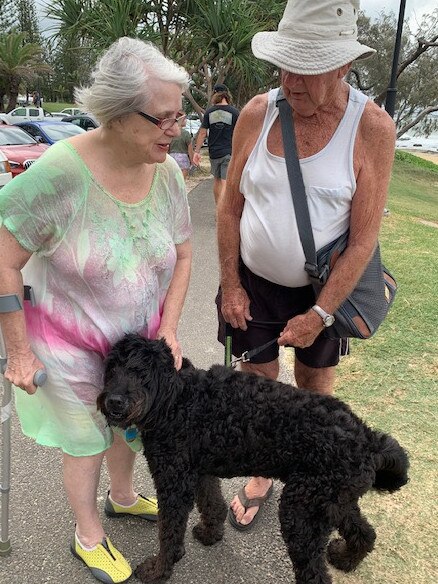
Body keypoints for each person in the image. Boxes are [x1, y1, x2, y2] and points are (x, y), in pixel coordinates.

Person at [0, 37, 192, 583]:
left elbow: (183, 252)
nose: (175, 129)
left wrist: (171, 328)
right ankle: (88, 535)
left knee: (130, 426)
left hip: (137, 342)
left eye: (180, 113)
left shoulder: (168, 172)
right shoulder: (59, 176)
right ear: (116, 112)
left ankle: (124, 496)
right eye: (162, 118)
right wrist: (17, 353)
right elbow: (2, 260)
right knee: (87, 439)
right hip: (68, 344)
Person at [216, 0, 396, 531]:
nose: (290, 82)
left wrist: (320, 313)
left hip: (324, 286)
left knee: (314, 381)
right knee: (257, 379)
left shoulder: (373, 129)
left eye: (306, 69)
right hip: (252, 282)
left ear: (342, 66)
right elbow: (229, 205)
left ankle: (313, 471)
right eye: (284, 66)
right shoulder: (257, 112)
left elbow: (363, 241)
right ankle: (263, 471)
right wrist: (230, 283)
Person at [193, 84, 239, 204]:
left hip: (214, 152)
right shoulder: (234, 112)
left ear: (215, 94)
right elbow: (240, 133)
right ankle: (223, 210)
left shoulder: (209, 112)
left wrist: (196, 151)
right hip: (229, 151)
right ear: (227, 95)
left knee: (217, 180)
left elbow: (203, 133)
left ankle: (218, 207)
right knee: (225, 181)